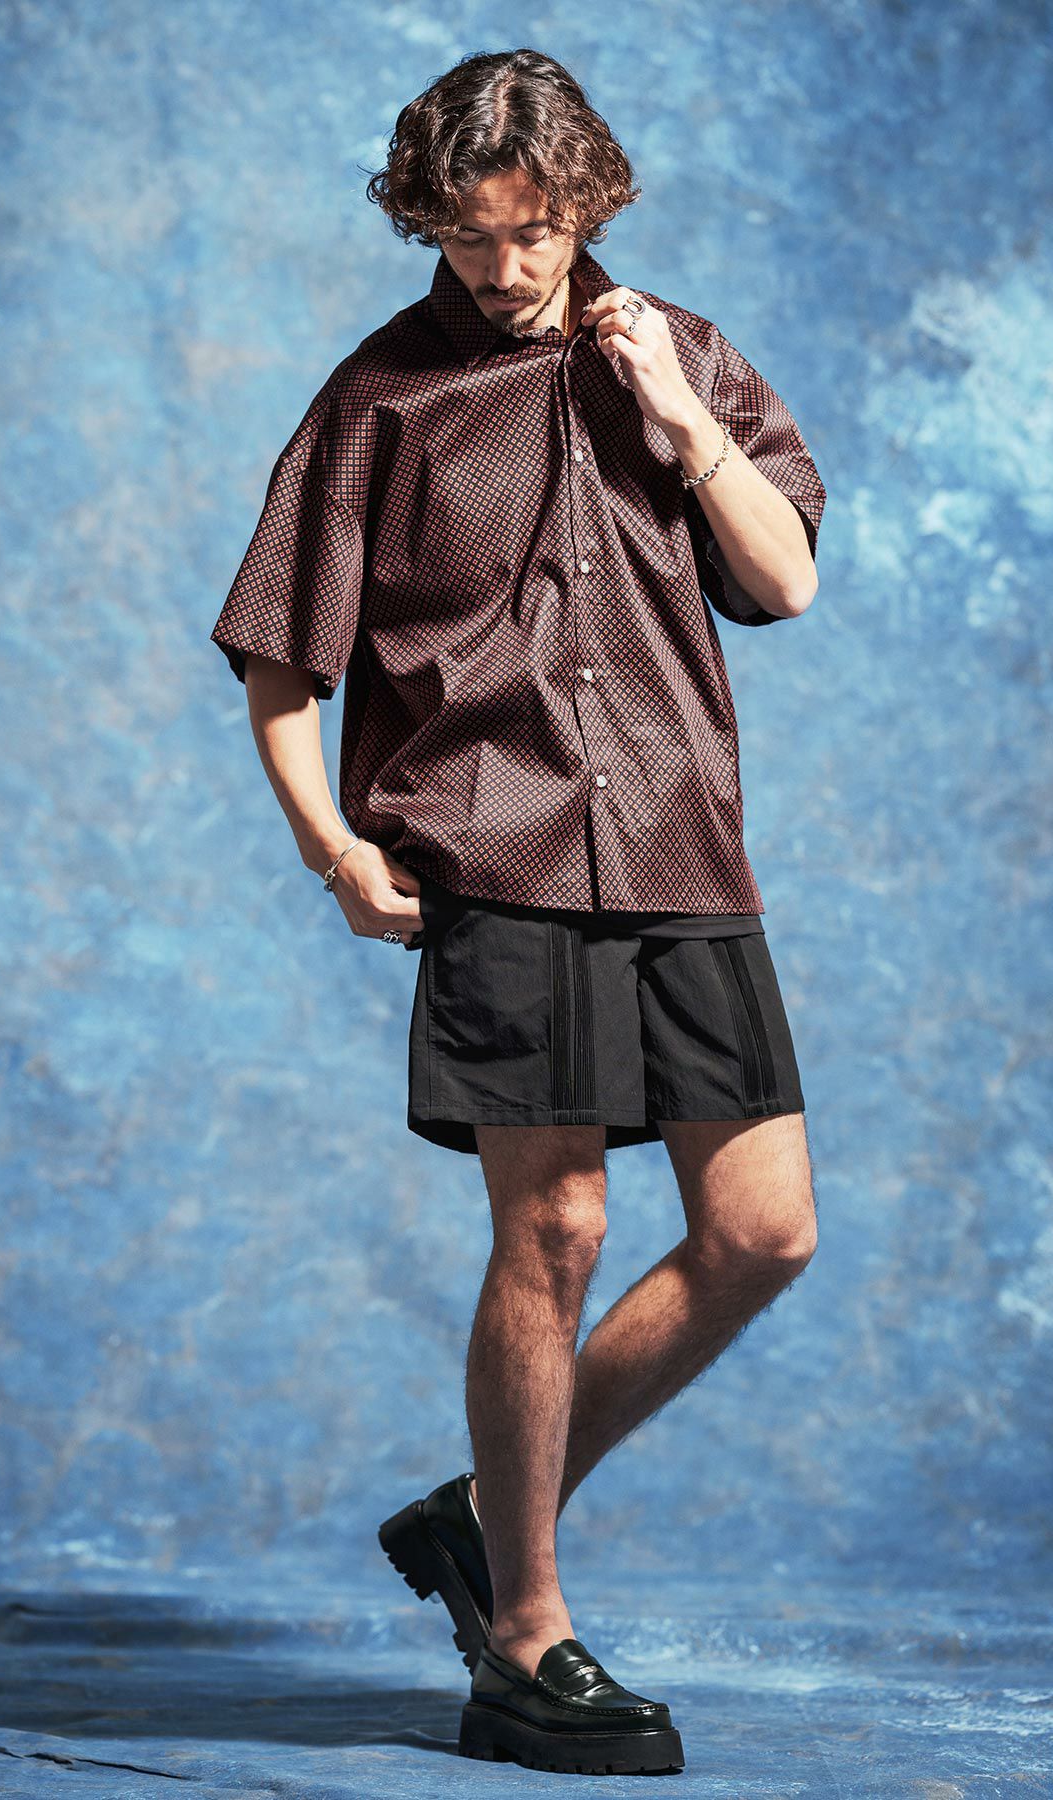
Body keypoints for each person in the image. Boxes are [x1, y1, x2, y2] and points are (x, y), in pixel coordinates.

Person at [210, 47, 826, 1777]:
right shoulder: (381, 399)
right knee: (552, 1230)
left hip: (682, 847)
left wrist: (684, 425)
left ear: (587, 203)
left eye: (532, 232)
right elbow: (278, 661)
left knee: (763, 1231)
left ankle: (480, 1521)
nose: (502, 268)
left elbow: (785, 579)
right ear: (428, 222)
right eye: (467, 237)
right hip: (500, 858)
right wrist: (334, 850)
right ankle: (526, 1634)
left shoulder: (681, 349)